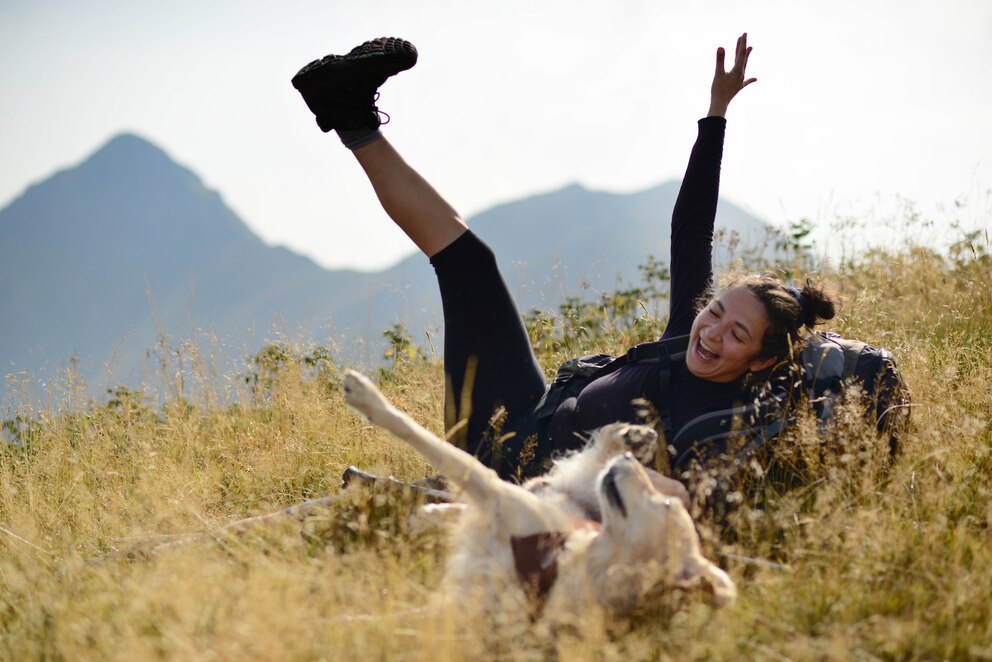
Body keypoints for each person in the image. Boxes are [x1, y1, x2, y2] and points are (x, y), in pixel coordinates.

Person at [291, 34, 836, 489]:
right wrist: (717, 113)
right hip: (528, 405)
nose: (712, 332)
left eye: (737, 334)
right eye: (716, 312)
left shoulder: (714, 426)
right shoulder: (683, 338)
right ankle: (349, 109)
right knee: (471, 257)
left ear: (761, 361)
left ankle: (350, 116)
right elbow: (691, 229)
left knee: (467, 265)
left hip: (506, 465)